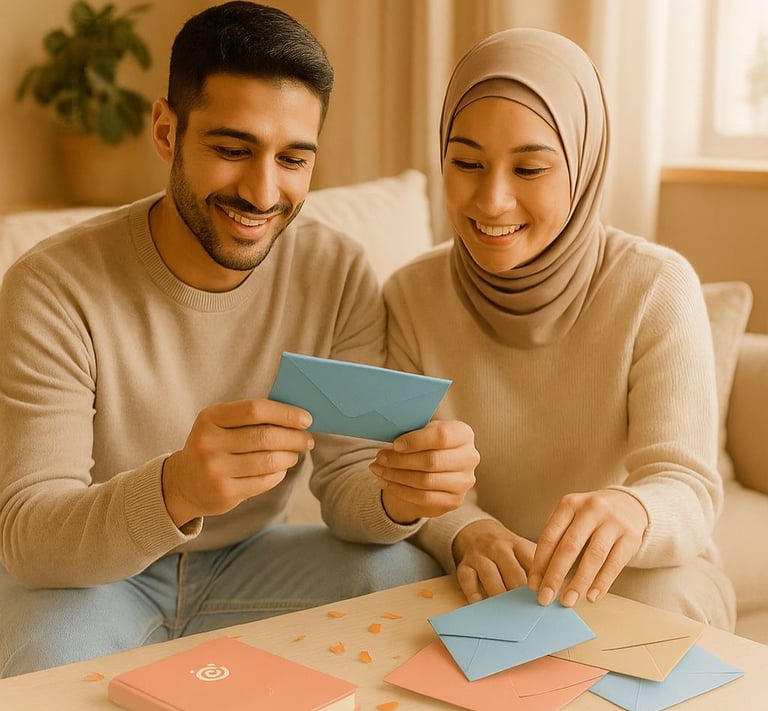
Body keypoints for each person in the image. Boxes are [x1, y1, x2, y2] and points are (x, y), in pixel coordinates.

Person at [0, 2, 479, 677]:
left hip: (253, 565)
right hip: (87, 584)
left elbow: (344, 484)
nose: (262, 190)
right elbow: (29, 535)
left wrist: (403, 494)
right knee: (47, 664)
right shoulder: (52, 286)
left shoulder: (335, 270)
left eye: (293, 159)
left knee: (411, 577)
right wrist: (177, 489)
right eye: (232, 149)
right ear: (166, 131)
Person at [382, 27, 736, 629]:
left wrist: (631, 509)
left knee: (662, 607)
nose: (492, 201)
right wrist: (468, 530)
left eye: (530, 168)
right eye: (467, 162)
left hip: (632, 574)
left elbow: (686, 485)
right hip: (483, 571)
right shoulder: (411, 294)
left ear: (584, 161)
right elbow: (402, 477)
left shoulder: (656, 285)